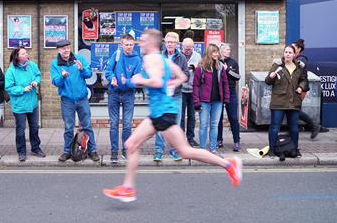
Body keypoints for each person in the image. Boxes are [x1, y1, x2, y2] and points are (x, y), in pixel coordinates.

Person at [103, 29, 242, 202]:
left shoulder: (151, 59)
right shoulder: (164, 59)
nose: (141, 44)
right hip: (160, 112)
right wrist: (170, 85)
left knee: (184, 151)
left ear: (151, 43)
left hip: (162, 114)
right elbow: (183, 76)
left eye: (143, 41)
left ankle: (229, 164)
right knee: (132, 144)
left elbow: (156, 81)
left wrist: (139, 80)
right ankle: (128, 188)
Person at [50, 40, 99, 162]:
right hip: (67, 101)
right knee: (68, 127)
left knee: (87, 125)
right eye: (63, 48)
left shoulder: (79, 59)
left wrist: (82, 69)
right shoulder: (55, 64)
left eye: (67, 47)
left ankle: (92, 151)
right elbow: (55, 82)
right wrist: (62, 77)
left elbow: (89, 74)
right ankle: (67, 151)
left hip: (82, 99)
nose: (66, 50)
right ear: (58, 50)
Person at [104, 33, 142, 163]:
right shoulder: (117, 55)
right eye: (126, 44)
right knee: (114, 124)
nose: (129, 47)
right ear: (121, 45)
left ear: (134, 45)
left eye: (131, 45)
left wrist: (127, 81)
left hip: (128, 94)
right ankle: (114, 152)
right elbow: (108, 71)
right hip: (114, 93)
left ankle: (126, 151)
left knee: (127, 125)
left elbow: (137, 80)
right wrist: (111, 78)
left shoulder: (137, 59)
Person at [265, 45, 308, 158]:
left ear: (294, 54)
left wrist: (301, 87)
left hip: (294, 101)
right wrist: (272, 76)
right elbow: (268, 81)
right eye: (286, 52)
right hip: (278, 101)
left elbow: (304, 80)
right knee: (275, 126)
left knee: (294, 127)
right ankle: (272, 150)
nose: (287, 54)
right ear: (283, 54)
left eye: (290, 52)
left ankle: (295, 149)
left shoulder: (299, 67)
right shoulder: (277, 65)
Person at [5, 46, 45, 162]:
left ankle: (36, 148)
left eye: (26, 52)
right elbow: (8, 88)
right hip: (19, 105)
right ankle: (21, 152)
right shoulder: (11, 70)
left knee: (34, 128)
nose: (26, 54)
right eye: (23, 53)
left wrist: (35, 82)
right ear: (17, 57)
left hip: (32, 103)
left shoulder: (31, 65)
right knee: (20, 130)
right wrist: (22, 89)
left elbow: (38, 75)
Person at [153, 32, 189, 162]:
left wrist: (176, 78)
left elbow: (186, 75)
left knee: (175, 125)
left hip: (176, 95)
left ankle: (174, 151)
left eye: (172, 42)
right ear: (165, 43)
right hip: (161, 96)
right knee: (159, 124)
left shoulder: (182, 58)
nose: (169, 44)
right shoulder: (159, 57)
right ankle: (158, 151)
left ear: (176, 44)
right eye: (168, 42)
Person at [193, 43, 229, 153]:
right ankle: (203, 149)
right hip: (204, 101)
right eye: (214, 52)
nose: (217, 54)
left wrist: (226, 98)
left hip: (218, 101)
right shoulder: (200, 68)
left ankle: (213, 148)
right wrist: (196, 101)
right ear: (209, 53)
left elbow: (225, 83)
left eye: (217, 52)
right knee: (203, 125)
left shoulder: (220, 67)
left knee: (214, 125)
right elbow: (196, 85)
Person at [292, 39, 329, 139]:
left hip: (301, 88)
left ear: (299, 49)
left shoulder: (301, 58)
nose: (290, 49)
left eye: (293, 47)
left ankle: (313, 126)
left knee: (294, 109)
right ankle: (296, 129)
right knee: (292, 109)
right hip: (295, 88)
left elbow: (300, 64)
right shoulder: (294, 58)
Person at [217, 43, 241, 152]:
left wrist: (227, 70)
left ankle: (236, 141)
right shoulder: (216, 61)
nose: (229, 51)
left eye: (229, 49)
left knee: (233, 118)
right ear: (221, 51)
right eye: (227, 49)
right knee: (218, 118)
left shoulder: (233, 62)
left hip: (231, 92)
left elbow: (237, 77)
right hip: (218, 92)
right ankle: (219, 140)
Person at [180, 37, 201, 147]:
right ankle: (181, 138)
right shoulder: (178, 56)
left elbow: (202, 72)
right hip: (181, 89)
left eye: (190, 48)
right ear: (182, 46)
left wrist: (196, 69)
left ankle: (190, 138)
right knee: (181, 116)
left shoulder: (197, 56)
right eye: (186, 48)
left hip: (193, 90)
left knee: (192, 116)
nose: (188, 50)